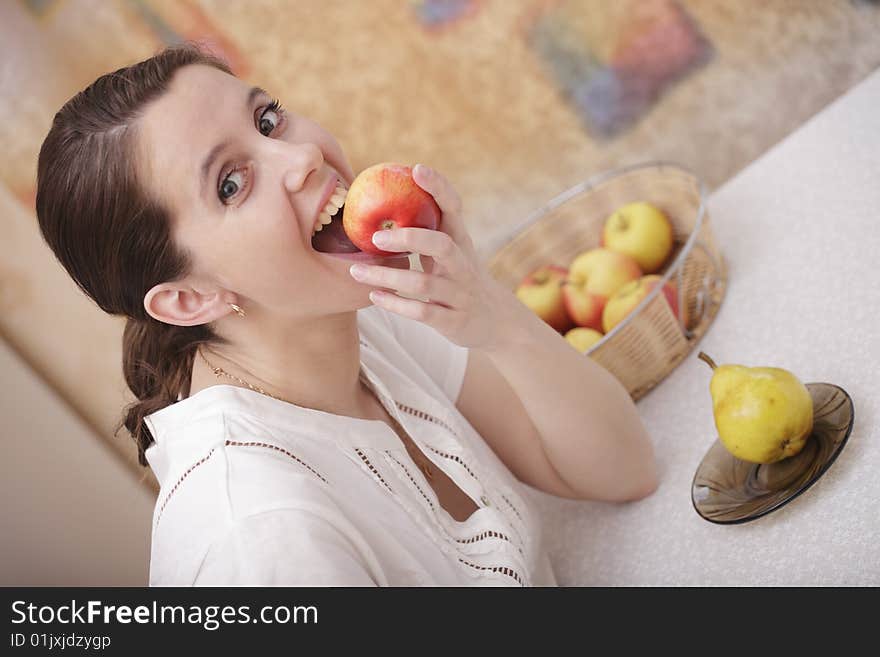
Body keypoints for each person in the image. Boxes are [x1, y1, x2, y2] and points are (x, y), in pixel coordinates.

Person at [34, 43, 658, 586]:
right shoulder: (260, 541)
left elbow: (621, 470)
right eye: (230, 182)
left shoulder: (354, 312)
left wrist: (493, 320)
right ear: (188, 299)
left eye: (268, 120)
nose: (302, 156)